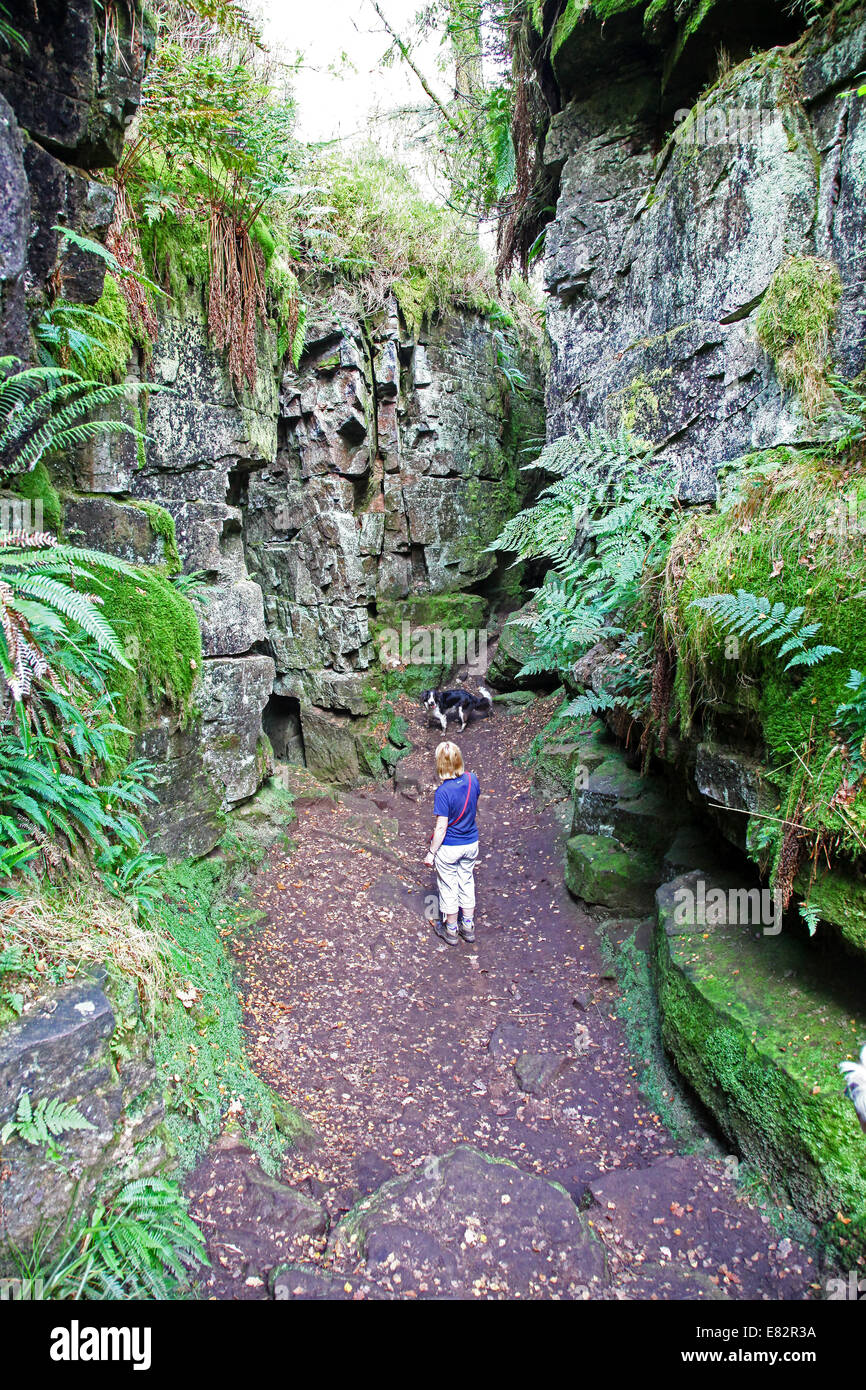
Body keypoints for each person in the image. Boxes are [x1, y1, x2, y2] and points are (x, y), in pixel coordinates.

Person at [424, 740, 480, 945]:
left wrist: (431, 852)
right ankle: (468, 926)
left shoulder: (443, 792)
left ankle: (451, 929)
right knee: (466, 881)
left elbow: (441, 828)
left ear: (440, 764)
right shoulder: (473, 780)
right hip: (471, 843)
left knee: (448, 887)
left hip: (450, 847)